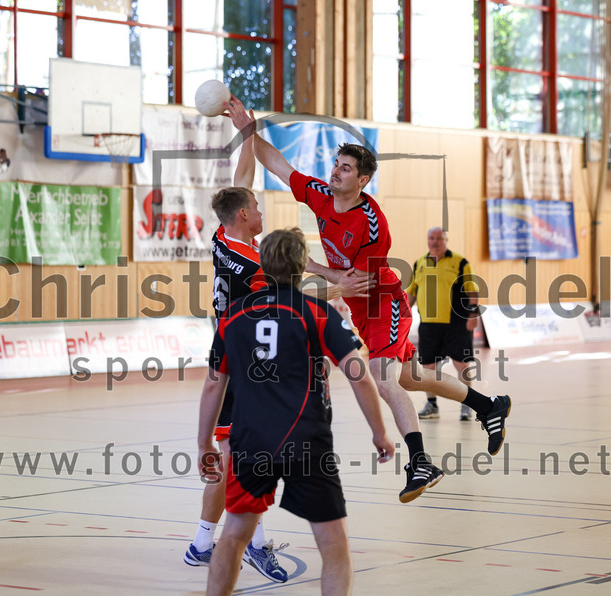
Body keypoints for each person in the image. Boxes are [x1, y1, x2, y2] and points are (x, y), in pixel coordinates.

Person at [225, 98, 511, 504]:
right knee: (410, 379)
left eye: (345, 168)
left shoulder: (372, 224)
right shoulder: (320, 194)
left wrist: (311, 266)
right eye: (336, 164)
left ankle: (420, 462)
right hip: (361, 307)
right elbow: (279, 166)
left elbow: (353, 283)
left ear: (362, 180)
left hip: (384, 302)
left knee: (382, 376)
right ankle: (488, 405)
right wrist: (248, 131)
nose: (335, 171)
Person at [185, 105, 373, 581]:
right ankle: (246, 543)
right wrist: (341, 287)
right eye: (256, 206)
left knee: (239, 456)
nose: (261, 209)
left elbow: (242, 179)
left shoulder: (228, 237)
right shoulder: (250, 265)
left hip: (238, 349)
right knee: (243, 456)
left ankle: (206, 542)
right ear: (245, 215)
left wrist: (247, 132)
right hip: (242, 358)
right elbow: (290, 301)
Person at [197, 227, 395, 596]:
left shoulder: (233, 316)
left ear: (263, 263)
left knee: (234, 534)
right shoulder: (315, 312)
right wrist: (379, 432)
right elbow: (358, 374)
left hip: (249, 441)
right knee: (333, 543)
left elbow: (213, 384)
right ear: (302, 265)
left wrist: (203, 443)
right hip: (306, 441)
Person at [405, 227, 479, 421]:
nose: (435, 241)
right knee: (428, 368)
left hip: (457, 323)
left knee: (461, 364)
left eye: (439, 238)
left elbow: (472, 290)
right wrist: (401, 315)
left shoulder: (460, 262)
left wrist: (473, 313)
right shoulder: (419, 263)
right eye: (432, 238)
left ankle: (467, 405)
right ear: (427, 240)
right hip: (429, 324)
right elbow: (411, 292)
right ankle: (432, 405)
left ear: (446, 240)